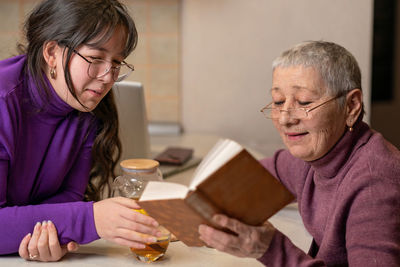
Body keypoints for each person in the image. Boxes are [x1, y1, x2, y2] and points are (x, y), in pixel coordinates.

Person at [198, 41, 400, 266]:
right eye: (278, 101)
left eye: (304, 102)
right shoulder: (311, 157)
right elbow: (227, 188)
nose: (285, 118)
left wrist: (271, 249)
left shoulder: (374, 182)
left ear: (351, 105)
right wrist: (159, 216)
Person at [0, 0, 161, 262]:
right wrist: (89, 219)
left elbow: (69, 196)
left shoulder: (86, 107)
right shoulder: (3, 100)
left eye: (117, 62)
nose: (108, 76)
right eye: (96, 58)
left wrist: (49, 231)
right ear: (51, 52)